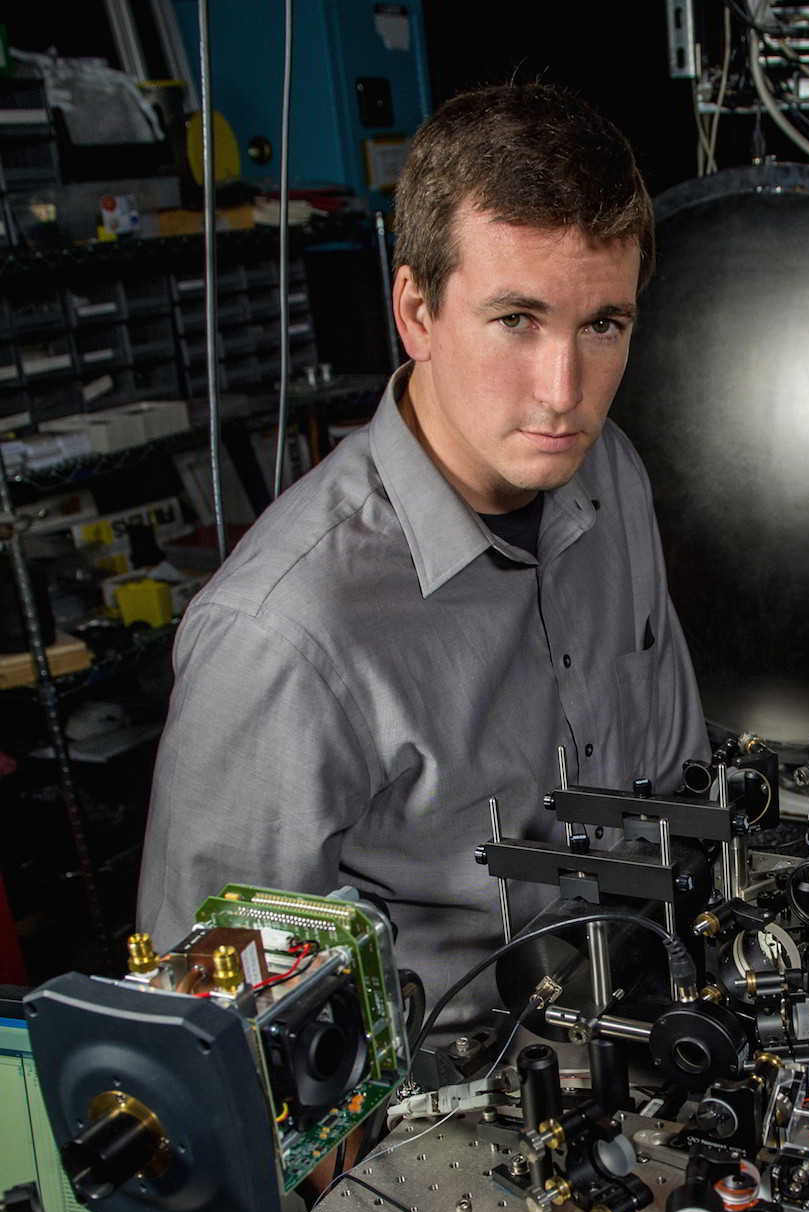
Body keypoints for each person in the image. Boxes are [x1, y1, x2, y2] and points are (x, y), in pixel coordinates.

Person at [138, 84, 706, 1034]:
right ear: (416, 312)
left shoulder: (610, 474)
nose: (562, 392)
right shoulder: (283, 633)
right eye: (515, 320)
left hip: (640, 999)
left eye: (602, 324)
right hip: (441, 1097)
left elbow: (677, 782)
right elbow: (204, 1038)